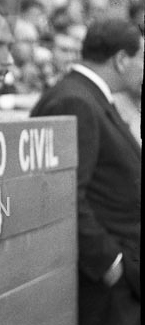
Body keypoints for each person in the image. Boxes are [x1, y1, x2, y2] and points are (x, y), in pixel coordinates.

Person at [31, 18, 142, 325]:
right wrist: (110, 262)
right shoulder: (74, 99)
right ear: (121, 59)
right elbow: (65, 193)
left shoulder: (84, 95)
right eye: (142, 57)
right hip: (102, 282)